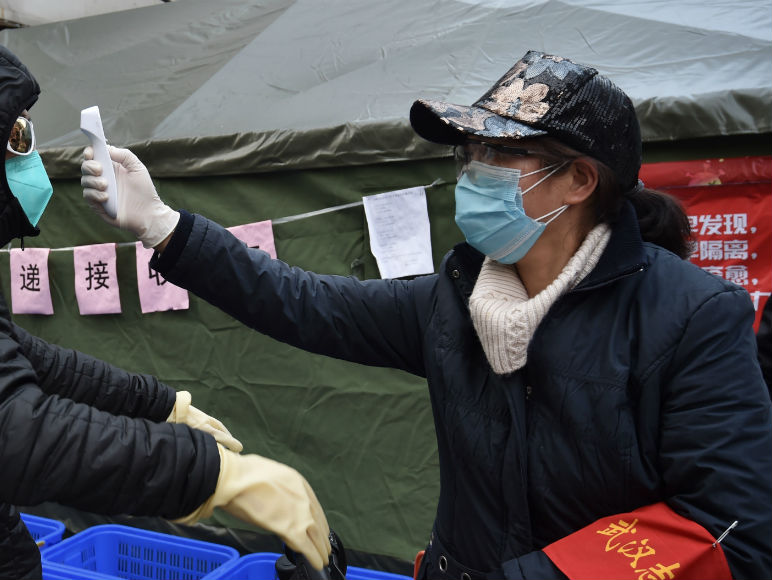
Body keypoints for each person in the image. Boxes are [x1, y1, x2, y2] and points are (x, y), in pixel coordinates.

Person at [82, 51, 772, 579]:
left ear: (581, 180)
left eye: (502, 153)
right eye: (470, 152)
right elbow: (305, 304)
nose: (473, 172)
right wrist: (164, 226)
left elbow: (729, 526)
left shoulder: (690, 316)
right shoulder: (455, 298)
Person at [0, 31, 330, 580]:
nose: (34, 156)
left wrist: (162, 406)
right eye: (19, 135)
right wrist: (213, 476)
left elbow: (28, 363)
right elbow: (15, 432)